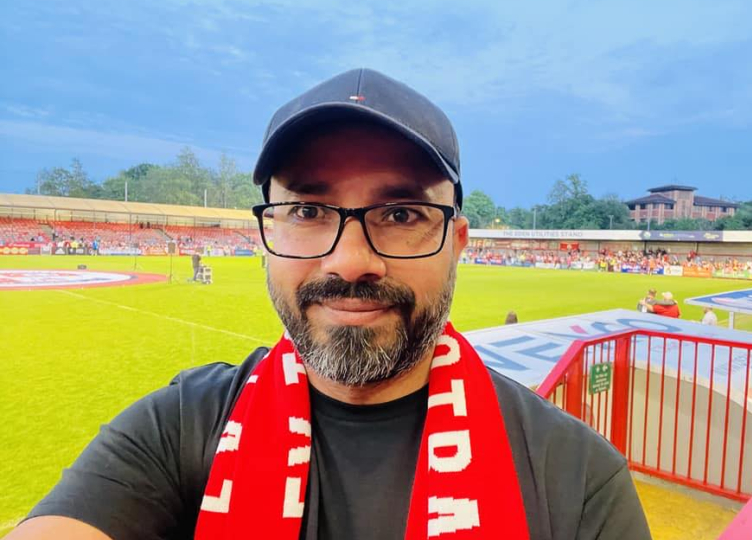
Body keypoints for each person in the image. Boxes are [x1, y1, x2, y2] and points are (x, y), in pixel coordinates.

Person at [10, 69, 650, 540]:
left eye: (401, 213)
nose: (350, 261)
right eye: (309, 210)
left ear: (456, 242)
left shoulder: (574, 479)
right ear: (266, 232)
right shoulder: (177, 431)